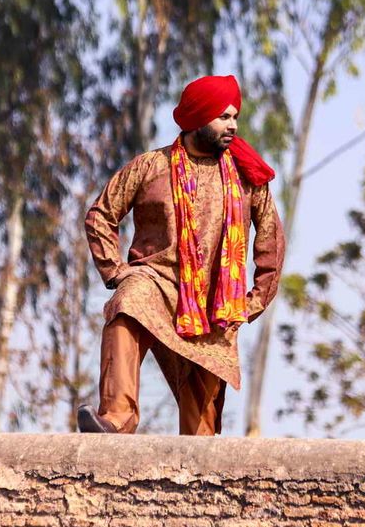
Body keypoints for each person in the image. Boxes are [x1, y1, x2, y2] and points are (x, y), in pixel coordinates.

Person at [78, 74, 286, 436]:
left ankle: (198, 476)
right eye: (223, 117)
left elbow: (272, 242)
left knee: (201, 431)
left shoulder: (247, 178)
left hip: (213, 304)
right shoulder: (150, 166)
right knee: (127, 303)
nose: (233, 125)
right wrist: (115, 270)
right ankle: (115, 419)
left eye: (235, 117)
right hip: (156, 283)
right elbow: (101, 214)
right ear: (196, 119)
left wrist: (251, 302)